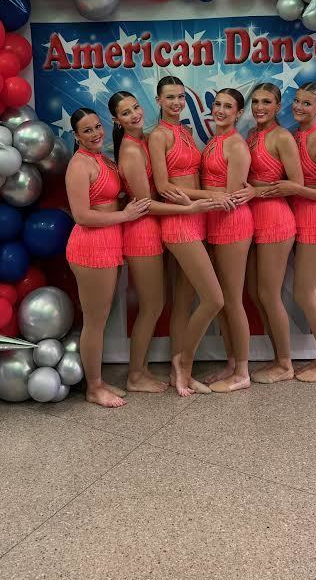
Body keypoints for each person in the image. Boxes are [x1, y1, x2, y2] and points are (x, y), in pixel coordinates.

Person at [108, 90, 215, 394]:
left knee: (165, 302)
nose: (134, 115)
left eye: (135, 107)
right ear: (117, 120)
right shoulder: (131, 150)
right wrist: (189, 207)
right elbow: (146, 204)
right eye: (125, 113)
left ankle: (168, 369)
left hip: (159, 226)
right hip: (142, 231)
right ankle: (135, 374)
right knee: (152, 305)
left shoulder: (148, 140)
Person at [149, 75, 232, 396]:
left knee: (184, 301)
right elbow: (163, 186)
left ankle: (177, 370)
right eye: (170, 97)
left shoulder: (183, 131)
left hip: (196, 219)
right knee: (214, 298)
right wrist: (207, 199)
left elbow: (191, 176)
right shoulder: (157, 136)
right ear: (158, 101)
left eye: (181, 97)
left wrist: (205, 201)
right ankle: (183, 364)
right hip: (180, 221)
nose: (176, 103)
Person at [65, 108, 150, 408]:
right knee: (95, 322)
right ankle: (94, 387)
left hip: (108, 244)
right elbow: (82, 215)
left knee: (100, 318)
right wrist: (124, 214)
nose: (95, 134)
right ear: (76, 135)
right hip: (90, 247)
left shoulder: (103, 160)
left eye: (97, 127)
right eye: (87, 130)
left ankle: (98, 381)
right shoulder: (78, 165)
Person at [262, 83, 316, 382]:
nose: (299, 107)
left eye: (307, 104)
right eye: (297, 101)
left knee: (305, 293)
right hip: (299, 219)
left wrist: (295, 188)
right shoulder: (295, 136)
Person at [246, 83, 303, 384]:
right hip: (252, 220)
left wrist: (254, 191)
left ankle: (285, 363)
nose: (259, 107)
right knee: (256, 293)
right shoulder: (253, 135)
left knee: (269, 293)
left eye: (266, 102)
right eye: (255, 101)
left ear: (278, 106)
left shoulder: (282, 137)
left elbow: (294, 183)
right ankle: (277, 356)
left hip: (276, 220)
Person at [200, 88, 254, 392]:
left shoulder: (235, 145)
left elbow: (230, 198)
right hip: (214, 224)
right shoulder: (214, 142)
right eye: (217, 104)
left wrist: (192, 196)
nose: (220, 110)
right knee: (221, 302)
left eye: (227, 106)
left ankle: (243, 372)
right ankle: (232, 363)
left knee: (232, 300)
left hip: (232, 224)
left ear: (238, 113)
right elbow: (215, 192)